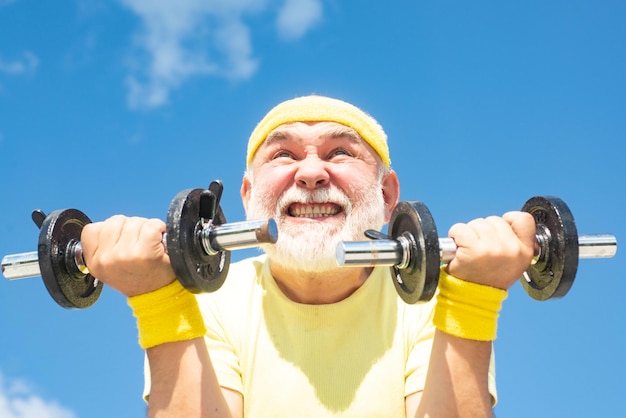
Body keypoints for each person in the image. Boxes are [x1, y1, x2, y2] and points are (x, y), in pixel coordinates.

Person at [80, 95, 536, 418]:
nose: (313, 172)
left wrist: (475, 300)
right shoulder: (200, 306)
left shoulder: (439, 306)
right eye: (283, 155)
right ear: (247, 194)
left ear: (387, 193)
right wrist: (157, 300)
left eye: (341, 153)